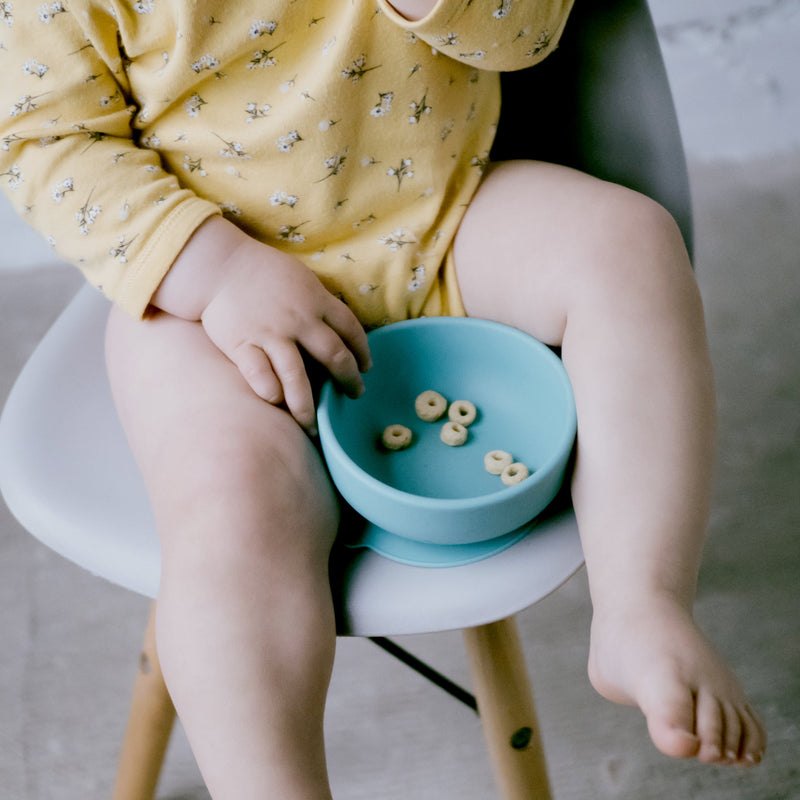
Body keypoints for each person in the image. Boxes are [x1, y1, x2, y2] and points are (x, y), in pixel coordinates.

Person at [0, 0, 766, 796]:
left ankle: (642, 603)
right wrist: (212, 268)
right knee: (229, 513)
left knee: (628, 246)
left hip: (438, 219)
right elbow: (42, 140)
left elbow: (530, 34)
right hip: (208, 302)